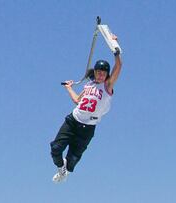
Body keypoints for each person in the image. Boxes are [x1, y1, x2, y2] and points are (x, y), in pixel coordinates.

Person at [50, 36, 122, 183]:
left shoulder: (107, 86)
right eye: (98, 72)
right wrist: (69, 88)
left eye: (103, 72)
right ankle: (60, 168)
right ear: (94, 72)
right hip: (73, 121)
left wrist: (116, 50)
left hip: (87, 129)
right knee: (56, 149)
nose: (100, 75)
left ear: (107, 74)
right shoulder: (89, 85)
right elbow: (77, 100)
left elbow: (119, 66)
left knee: (72, 162)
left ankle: (66, 169)